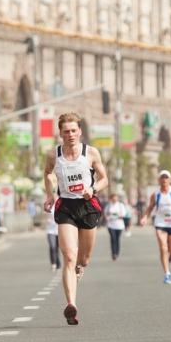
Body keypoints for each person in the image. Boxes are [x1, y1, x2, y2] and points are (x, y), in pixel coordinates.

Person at [43, 112, 108, 326]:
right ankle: (71, 305)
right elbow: (47, 174)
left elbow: (104, 179)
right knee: (70, 256)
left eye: (73, 130)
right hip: (66, 207)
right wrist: (50, 194)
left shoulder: (90, 153)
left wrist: (93, 188)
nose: (70, 134)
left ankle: (80, 267)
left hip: (88, 206)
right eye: (66, 131)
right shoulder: (54, 155)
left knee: (83, 259)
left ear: (79, 132)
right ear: (60, 133)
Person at [139, 170, 171, 285]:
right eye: (162, 177)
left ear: (169, 180)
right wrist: (145, 217)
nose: (164, 180)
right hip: (160, 223)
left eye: (166, 177)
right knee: (163, 248)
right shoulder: (156, 195)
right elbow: (150, 208)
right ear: (159, 180)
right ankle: (167, 273)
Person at [104, 193, 126, 261]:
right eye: (113, 197)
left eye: (116, 197)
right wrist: (107, 217)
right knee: (113, 239)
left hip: (119, 225)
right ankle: (114, 254)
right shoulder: (109, 205)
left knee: (117, 239)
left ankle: (117, 253)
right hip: (111, 225)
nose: (114, 199)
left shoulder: (120, 205)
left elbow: (124, 214)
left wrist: (119, 214)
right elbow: (105, 212)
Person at [46, 205, 61, 272]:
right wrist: (47, 219)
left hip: (59, 230)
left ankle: (58, 264)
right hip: (50, 230)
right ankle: (53, 263)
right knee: (52, 246)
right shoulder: (49, 206)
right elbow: (44, 215)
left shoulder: (61, 204)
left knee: (57, 248)